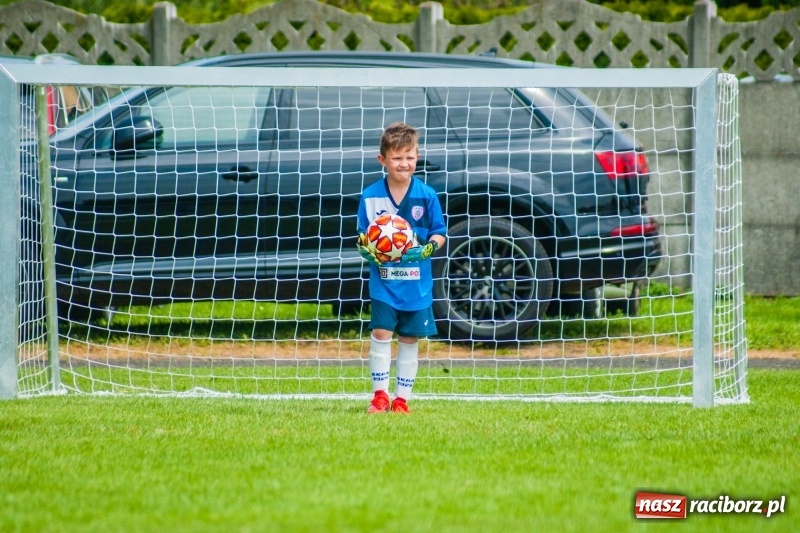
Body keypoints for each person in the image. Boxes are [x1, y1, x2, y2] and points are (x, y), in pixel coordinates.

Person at [356, 122, 447, 414]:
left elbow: (440, 233)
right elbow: (361, 238)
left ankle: (401, 400)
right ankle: (379, 396)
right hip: (383, 282)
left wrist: (427, 249)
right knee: (382, 333)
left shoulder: (427, 195)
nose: (403, 163)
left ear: (417, 157)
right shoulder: (370, 196)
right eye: (397, 158)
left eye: (409, 157)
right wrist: (371, 254)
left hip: (416, 283)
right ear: (382, 159)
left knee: (409, 338)